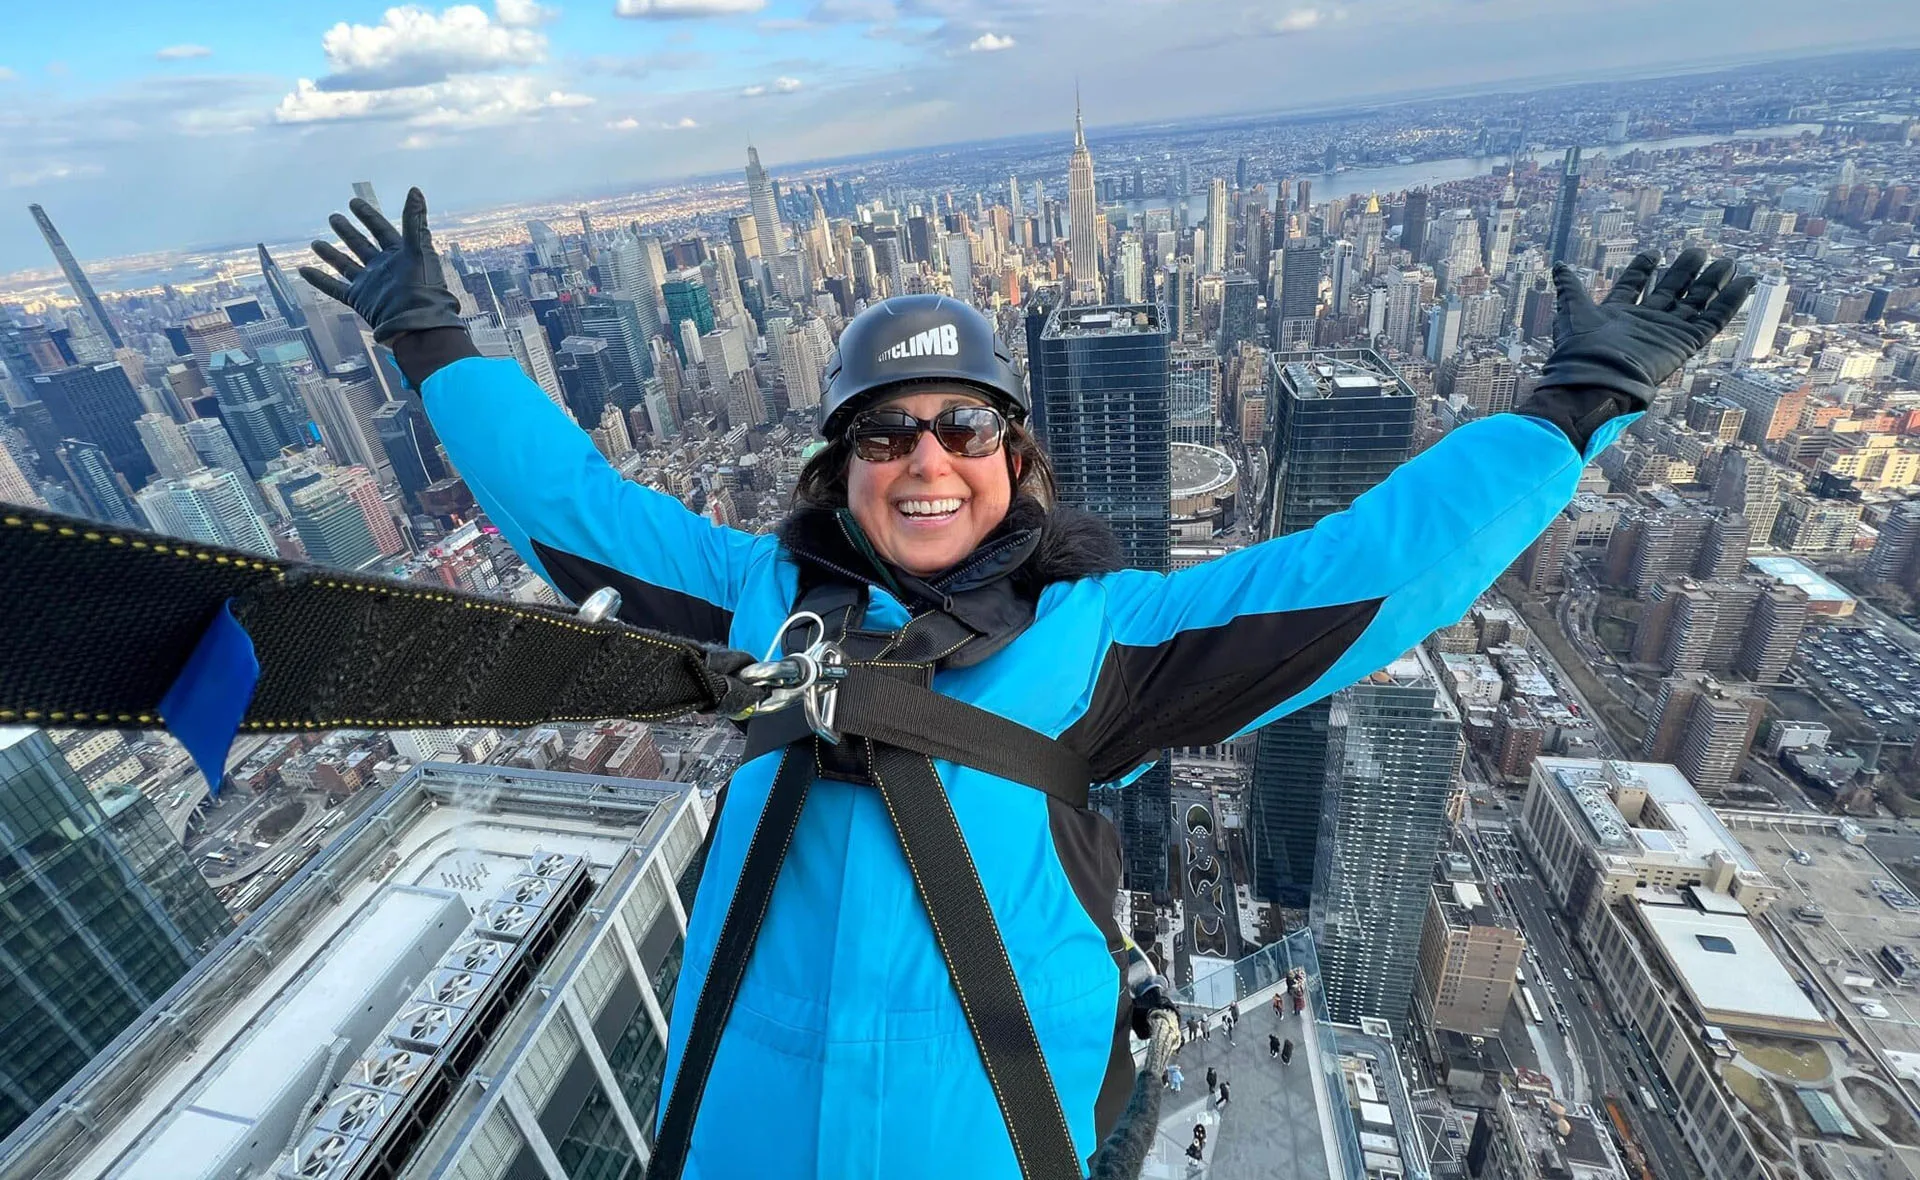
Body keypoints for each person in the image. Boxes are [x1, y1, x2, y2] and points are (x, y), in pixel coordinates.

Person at [299, 189, 1750, 1180]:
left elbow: (1370, 577)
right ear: (839, 468)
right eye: (884, 434)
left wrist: (1575, 409)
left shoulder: (1107, 643)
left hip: (985, 1135)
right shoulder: (753, 601)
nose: (925, 457)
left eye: (961, 427)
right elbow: (571, 510)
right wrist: (434, 344)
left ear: (1013, 462)